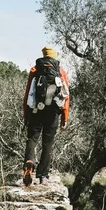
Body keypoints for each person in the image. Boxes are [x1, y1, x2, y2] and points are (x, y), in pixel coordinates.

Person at [22, 46, 70, 186]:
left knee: (32, 138)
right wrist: (64, 118)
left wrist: (26, 114)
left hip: (36, 110)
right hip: (53, 111)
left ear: (43, 55)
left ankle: (29, 163)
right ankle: (43, 175)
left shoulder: (34, 70)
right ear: (54, 56)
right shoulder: (60, 71)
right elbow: (66, 97)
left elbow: (28, 94)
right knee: (47, 143)